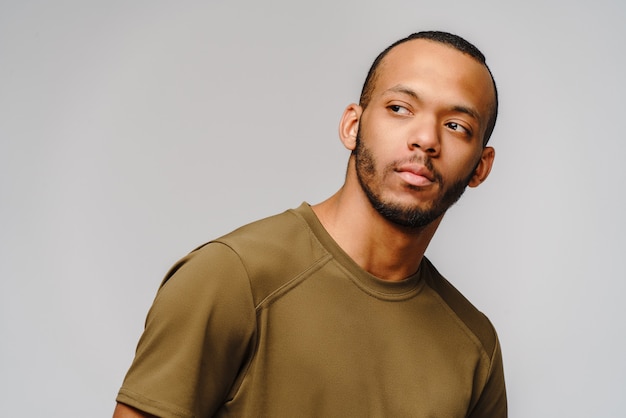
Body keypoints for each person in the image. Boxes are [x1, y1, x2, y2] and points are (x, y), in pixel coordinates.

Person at [113, 30, 507, 417]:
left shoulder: (475, 346)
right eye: (400, 109)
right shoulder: (231, 278)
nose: (425, 139)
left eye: (457, 126)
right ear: (353, 126)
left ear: (480, 167)